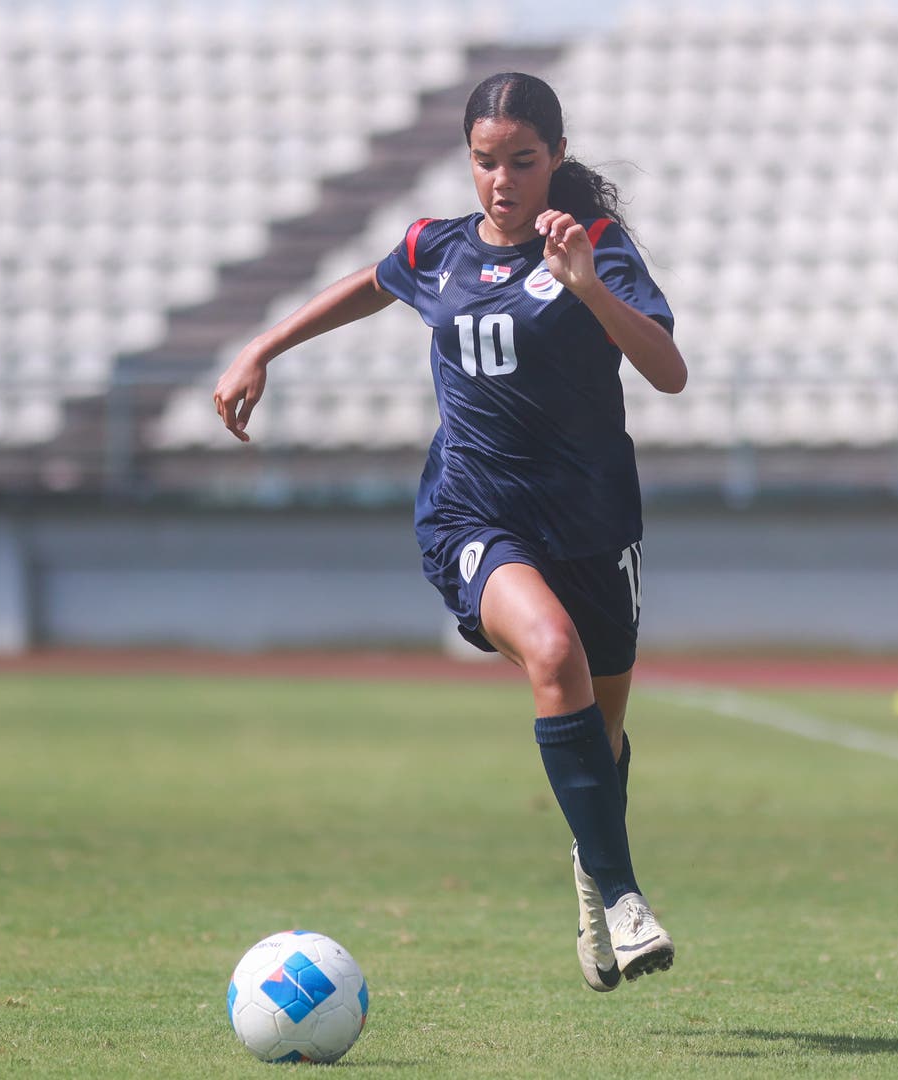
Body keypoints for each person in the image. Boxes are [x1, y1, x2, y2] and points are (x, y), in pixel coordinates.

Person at [211, 73, 686, 989]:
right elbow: (371, 282)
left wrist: (588, 288)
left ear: (553, 159)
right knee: (554, 654)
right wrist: (260, 347)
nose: (502, 180)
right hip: (476, 514)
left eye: (522, 160)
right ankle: (626, 898)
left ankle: (593, 880)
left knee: (606, 745)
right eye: (484, 161)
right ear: (467, 159)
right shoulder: (439, 249)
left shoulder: (598, 250)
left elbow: (667, 371)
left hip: (593, 527)